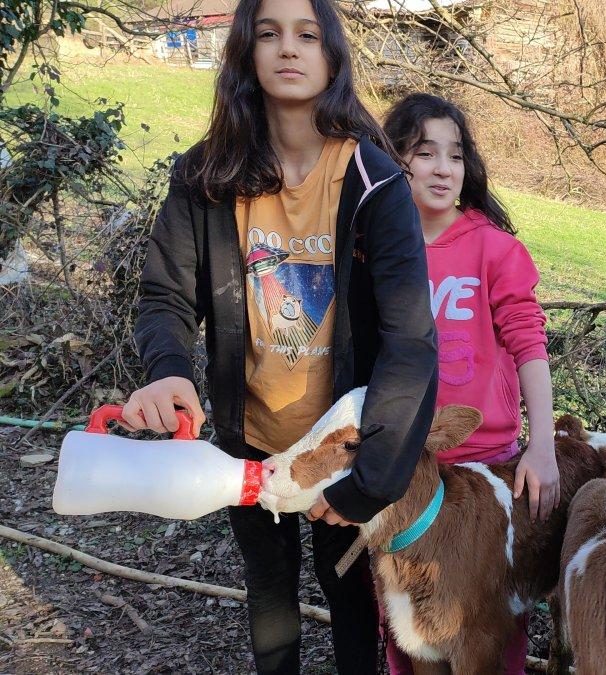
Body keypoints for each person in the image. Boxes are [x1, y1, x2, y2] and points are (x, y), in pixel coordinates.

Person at [119, 0, 438, 672]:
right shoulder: (205, 177)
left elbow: (409, 339)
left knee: (349, 592)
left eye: (306, 35)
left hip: (339, 447)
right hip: (250, 436)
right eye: (269, 33)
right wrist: (168, 368)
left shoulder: (375, 180)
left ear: (332, 58)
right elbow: (166, 294)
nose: (288, 48)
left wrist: (373, 475)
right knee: (268, 588)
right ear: (246, 52)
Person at [381, 93, 557, 675]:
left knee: (489, 622)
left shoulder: (494, 249)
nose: (442, 169)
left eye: (454, 155)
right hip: (404, 467)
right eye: (424, 153)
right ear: (394, 161)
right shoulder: (379, 248)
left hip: (486, 466)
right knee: (408, 617)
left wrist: (542, 444)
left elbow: (529, 344)